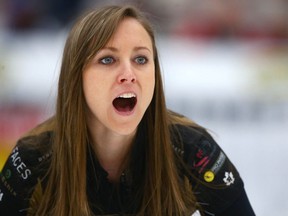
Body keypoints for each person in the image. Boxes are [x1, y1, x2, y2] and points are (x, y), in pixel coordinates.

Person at [0, 4, 255, 216]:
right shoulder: (33, 158)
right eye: (108, 59)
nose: (128, 74)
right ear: (75, 77)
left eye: (141, 59)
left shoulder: (192, 149)